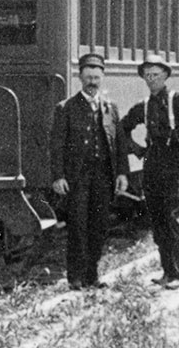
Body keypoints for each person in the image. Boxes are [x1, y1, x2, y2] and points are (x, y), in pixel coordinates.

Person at [121, 55, 179, 288]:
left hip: (176, 165)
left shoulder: (177, 100)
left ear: (165, 76)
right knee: (158, 218)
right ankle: (166, 272)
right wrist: (137, 148)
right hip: (153, 164)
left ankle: (177, 275)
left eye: (156, 75)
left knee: (172, 217)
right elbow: (124, 126)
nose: (151, 80)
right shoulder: (144, 105)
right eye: (147, 76)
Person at [49, 53, 127, 288]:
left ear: (102, 78)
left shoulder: (110, 108)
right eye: (88, 77)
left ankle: (92, 276)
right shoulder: (66, 108)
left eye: (96, 77)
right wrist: (58, 176)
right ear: (80, 78)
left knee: (99, 226)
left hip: (103, 177)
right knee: (78, 227)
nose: (92, 82)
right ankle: (75, 277)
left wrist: (122, 173)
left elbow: (119, 144)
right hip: (77, 178)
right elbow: (57, 145)